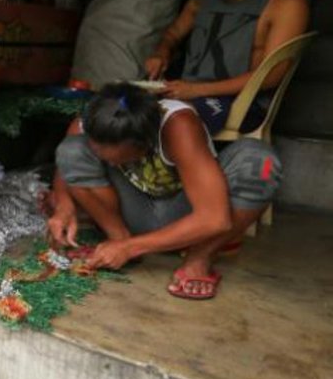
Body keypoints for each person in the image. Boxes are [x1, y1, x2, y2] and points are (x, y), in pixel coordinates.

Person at [49, 83, 281, 300]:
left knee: (261, 161)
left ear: (143, 143)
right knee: (72, 149)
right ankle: (117, 237)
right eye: (97, 149)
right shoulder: (91, 123)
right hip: (132, 212)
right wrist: (63, 205)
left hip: (188, 217)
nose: (103, 158)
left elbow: (215, 219)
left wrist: (129, 249)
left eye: (113, 154)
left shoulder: (178, 125)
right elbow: (66, 163)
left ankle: (200, 258)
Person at [145, 0, 309, 133]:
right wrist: (161, 52)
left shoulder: (285, 4)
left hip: (241, 104)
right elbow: (174, 33)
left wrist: (196, 90)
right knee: (114, 105)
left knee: (164, 121)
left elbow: (270, 76)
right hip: (186, 93)